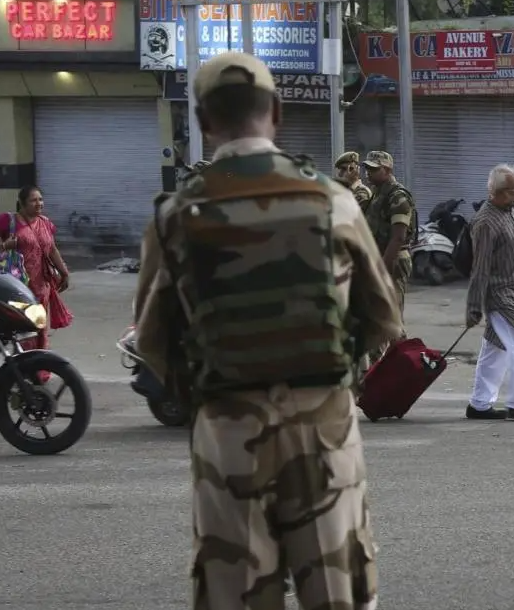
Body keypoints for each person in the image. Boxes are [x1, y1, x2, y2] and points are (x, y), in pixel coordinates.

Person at [133, 52, 400, 610]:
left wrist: (206, 397)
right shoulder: (333, 200)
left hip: (227, 432)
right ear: (276, 111)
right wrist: (338, 378)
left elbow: (151, 340)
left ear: (204, 122)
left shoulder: (175, 214)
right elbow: (384, 318)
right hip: (324, 426)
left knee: (236, 594)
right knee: (337, 593)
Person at [464, 164, 514, 423]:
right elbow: (480, 267)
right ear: (495, 193)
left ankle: (479, 404)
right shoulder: (485, 222)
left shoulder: (511, 210)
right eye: (513, 190)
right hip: (500, 294)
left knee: (495, 347)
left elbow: (512, 238)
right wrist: (474, 306)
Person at [0, 186, 74, 355]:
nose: (39, 204)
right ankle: (23, 365)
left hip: (42, 285)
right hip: (18, 285)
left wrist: (64, 272)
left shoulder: (45, 223)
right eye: (33, 200)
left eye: (40, 199)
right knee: (23, 328)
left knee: (40, 326)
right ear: (22, 203)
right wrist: (4, 246)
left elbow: (51, 250)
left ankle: (40, 366)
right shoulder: (8, 220)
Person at [362, 150, 416, 360]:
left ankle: (404, 364)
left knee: (391, 316)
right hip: (379, 258)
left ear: (387, 170)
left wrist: (382, 270)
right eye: (367, 168)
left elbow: (398, 237)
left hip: (392, 261)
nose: (368, 173)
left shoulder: (397, 196)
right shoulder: (378, 193)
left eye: (374, 169)